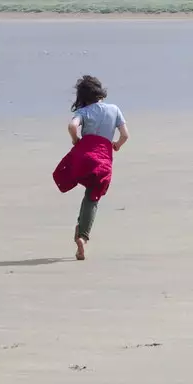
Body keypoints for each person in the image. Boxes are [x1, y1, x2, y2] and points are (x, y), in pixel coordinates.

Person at [53, 75, 129, 261]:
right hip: (102, 158)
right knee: (93, 195)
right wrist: (117, 144)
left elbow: (72, 126)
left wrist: (75, 140)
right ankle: (82, 237)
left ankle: (80, 229)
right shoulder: (114, 109)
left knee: (68, 172)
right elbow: (126, 135)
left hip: (83, 155)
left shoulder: (84, 111)